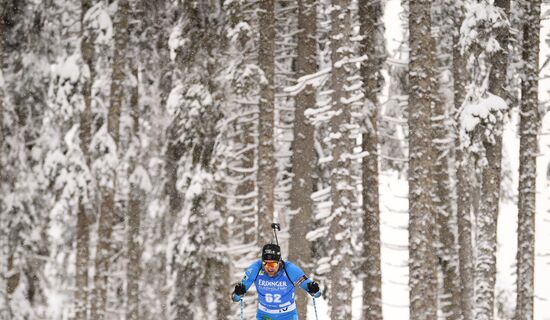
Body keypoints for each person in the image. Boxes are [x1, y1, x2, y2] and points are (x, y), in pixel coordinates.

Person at [231, 243, 321, 320]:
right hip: (265, 316)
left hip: (287, 315)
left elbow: (316, 294)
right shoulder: (255, 269)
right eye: (265, 263)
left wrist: (314, 290)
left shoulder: (290, 270)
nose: (269, 267)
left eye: (273, 264)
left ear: (279, 261)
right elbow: (236, 298)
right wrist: (238, 293)